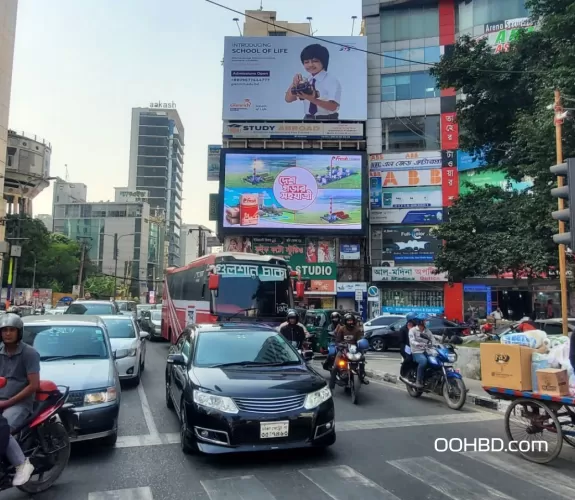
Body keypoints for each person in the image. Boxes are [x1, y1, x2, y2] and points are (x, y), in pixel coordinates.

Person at [0, 313, 38, 485]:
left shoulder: (29, 353)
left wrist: (8, 402)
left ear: (19, 332)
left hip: (20, 403)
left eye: (12, 330)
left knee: (2, 429)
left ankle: (22, 464)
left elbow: (33, 385)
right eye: (4, 330)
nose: (7, 333)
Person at [285, 43, 342, 120]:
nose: (310, 65)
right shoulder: (306, 80)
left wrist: (311, 98)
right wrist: (294, 83)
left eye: (315, 61)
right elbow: (288, 99)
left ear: (323, 62)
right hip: (308, 119)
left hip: (327, 120)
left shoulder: (331, 80)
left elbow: (333, 107)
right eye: (306, 62)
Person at [331, 313, 368, 387]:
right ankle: (331, 385)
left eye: (351, 321)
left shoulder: (357, 329)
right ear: (345, 321)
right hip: (343, 349)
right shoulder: (342, 329)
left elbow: (360, 339)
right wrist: (340, 345)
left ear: (354, 321)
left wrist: (362, 346)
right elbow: (338, 340)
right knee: (335, 366)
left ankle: (362, 375)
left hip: (354, 349)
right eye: (348, 321)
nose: (350, 322)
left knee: (362, 359)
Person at [408, 315, 436, 388]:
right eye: (425, 321)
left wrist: (436, 344)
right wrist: (418, 344)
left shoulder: (427, 331)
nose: (427, 322)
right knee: (423, 361)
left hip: (427, 350)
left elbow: (433, 339)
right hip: (417, 352)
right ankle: (418, 380)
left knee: (436, 360)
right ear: (420, 322)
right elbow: (412, 341)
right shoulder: (412, 330)